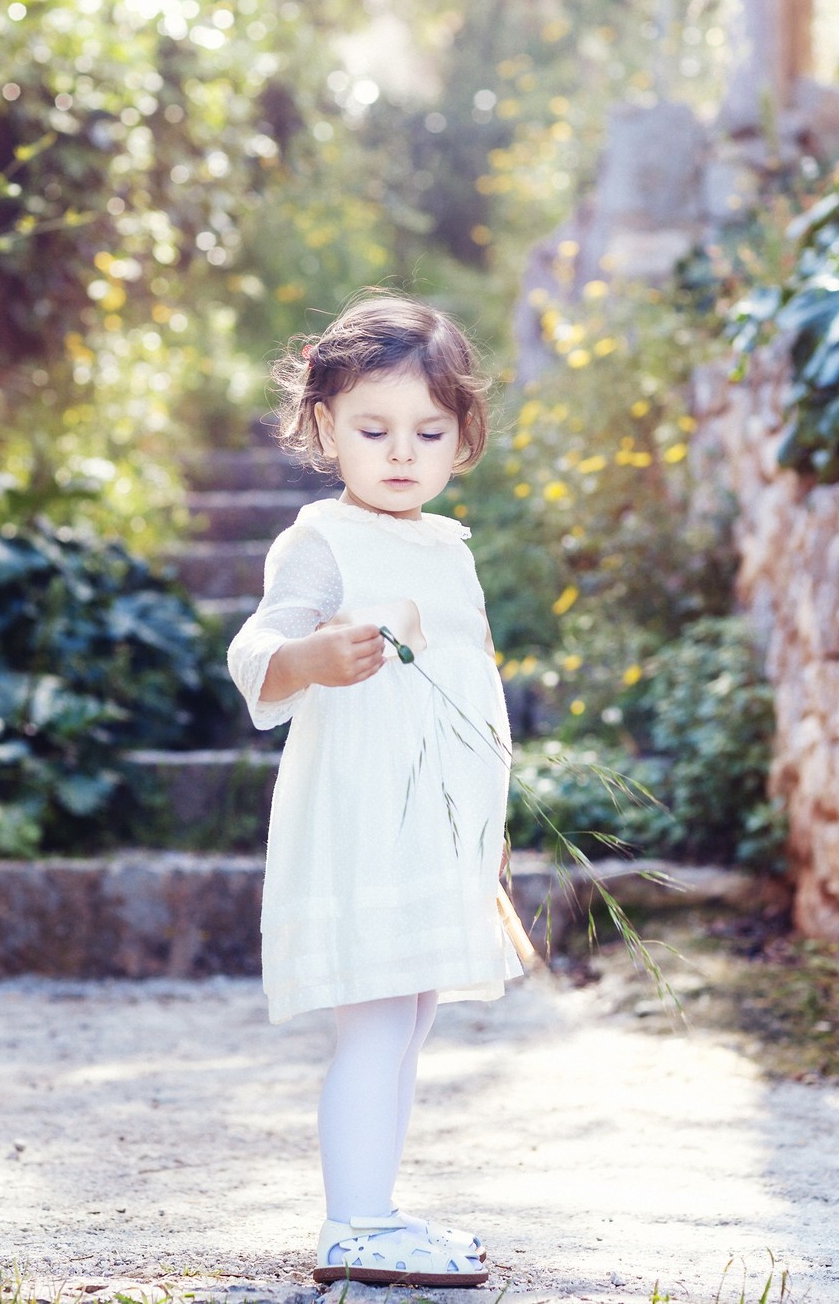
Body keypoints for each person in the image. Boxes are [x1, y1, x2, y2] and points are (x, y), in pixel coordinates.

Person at [227, 294, 522, 1288]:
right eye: (373, 429)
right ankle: (351, 1221)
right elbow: (259, 643)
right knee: (378, 1016)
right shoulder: (324, 538)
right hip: (365, 815)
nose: (401, 453)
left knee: (415, 1010)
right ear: (322, 428)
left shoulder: (445, 544)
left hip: (435, 818)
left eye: (427, 432)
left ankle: (379, 1208)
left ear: (461, 436)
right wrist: (307, 656)